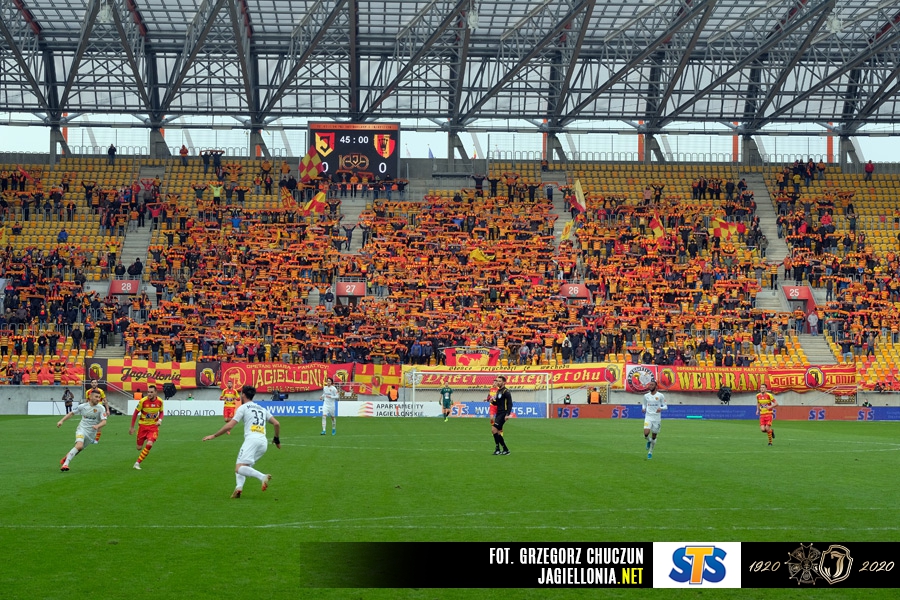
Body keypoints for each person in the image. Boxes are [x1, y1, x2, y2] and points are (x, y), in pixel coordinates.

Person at [203, 385, 280, 499]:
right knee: (242, 465)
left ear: (243, 394)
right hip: (263, 442)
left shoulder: (243, 408)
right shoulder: (262, 409)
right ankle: (238, 488)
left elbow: (230, 425)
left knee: (239, 468)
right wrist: (276, 439)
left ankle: (262, 477)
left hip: (252, 440)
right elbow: (276, 423)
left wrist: (214, 435)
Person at [57, 389, 107, 471]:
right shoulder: (83, 406)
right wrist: (61, 421)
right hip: (82, 429)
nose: (98, 399)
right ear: (90, 397)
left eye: (99, 397)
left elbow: (104, 421)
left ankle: (66, 458)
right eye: (96, 397)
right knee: (79, 446)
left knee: (78, 449)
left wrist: (97, 426)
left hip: (91, 434)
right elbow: (71, 413)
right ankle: (65, 464)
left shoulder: (101, 408)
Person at [129, 384, 163, 470]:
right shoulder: (143, 401)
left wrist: (160, 420)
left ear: (156, 392)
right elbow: (135, 413)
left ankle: (137, 463)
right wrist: (132, 427)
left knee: (149, 443)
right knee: (139, 448)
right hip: (142, 427)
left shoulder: (160, 401)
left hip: (153, 427)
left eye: (151, 392)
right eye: (148, 392)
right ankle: (143, 440)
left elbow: (161, 412)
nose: (149, 394)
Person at [641, 381, 667, 459]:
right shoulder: (646, 396)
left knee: (654, 436)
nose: (650, 386)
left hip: (656, 418)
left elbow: (665, 406)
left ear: (656, 386)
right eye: (650, 385)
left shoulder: (660, 396)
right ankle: (649, 440)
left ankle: (650, 452)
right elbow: (644, 404)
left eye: (652, 385)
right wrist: (643, 408)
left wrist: (661, 408)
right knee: (646, 433)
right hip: (648, 417)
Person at [490, 376, 512, 455]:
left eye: (499, 381)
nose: (498, 382)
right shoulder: (499, 391)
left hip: (503, 413)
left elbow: (510, 404)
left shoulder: (506, 391)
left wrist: (507, 414)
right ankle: (505, 449)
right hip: (499, 413)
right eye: (497, 381)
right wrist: (492, 401)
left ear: (504, 382)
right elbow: (498, 403)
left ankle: (497, 449)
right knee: (498, 432)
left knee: (493, 429)